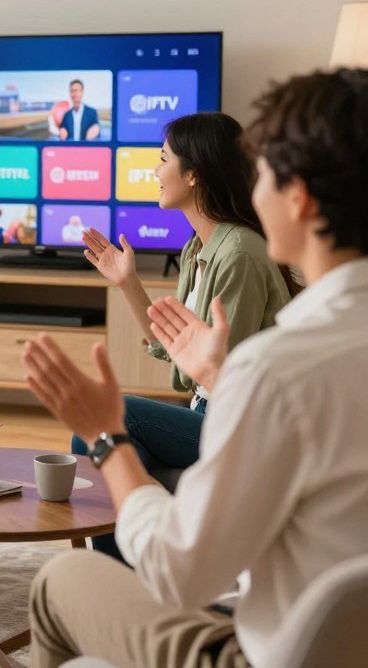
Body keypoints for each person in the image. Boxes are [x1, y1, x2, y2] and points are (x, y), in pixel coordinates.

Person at [23, 68, 368, 668]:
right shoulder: (208, 264)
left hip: (268, 653)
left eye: (263, 171)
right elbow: (178, 354)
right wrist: (211, 370)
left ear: (300, 198)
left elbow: (180, 570)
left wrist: (106, 438)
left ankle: (126, 592)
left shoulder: (275, 362)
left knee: (60, 579)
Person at [73, 114, 294, 523]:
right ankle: (149, 548)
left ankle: (138, 550)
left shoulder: (239, 254)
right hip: (204, 411)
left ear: (193, 175)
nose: (155, 172)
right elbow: (173, 346)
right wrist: (127, 282)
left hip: (239, 424)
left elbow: (223, 374)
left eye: (163, 159)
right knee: (114, 446)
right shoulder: (198, 247)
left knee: (108, 425)